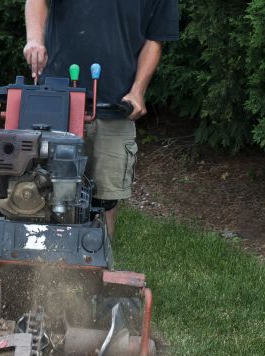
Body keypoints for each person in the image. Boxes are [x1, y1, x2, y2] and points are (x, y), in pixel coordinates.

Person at [24, 0, 179, 238]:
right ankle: (43, 259)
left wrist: (138, 90)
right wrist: (35, 39)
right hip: (57, 99)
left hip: (115, 104)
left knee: (106, 198)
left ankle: (95, 261)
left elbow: (154, 39)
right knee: (45, 188)